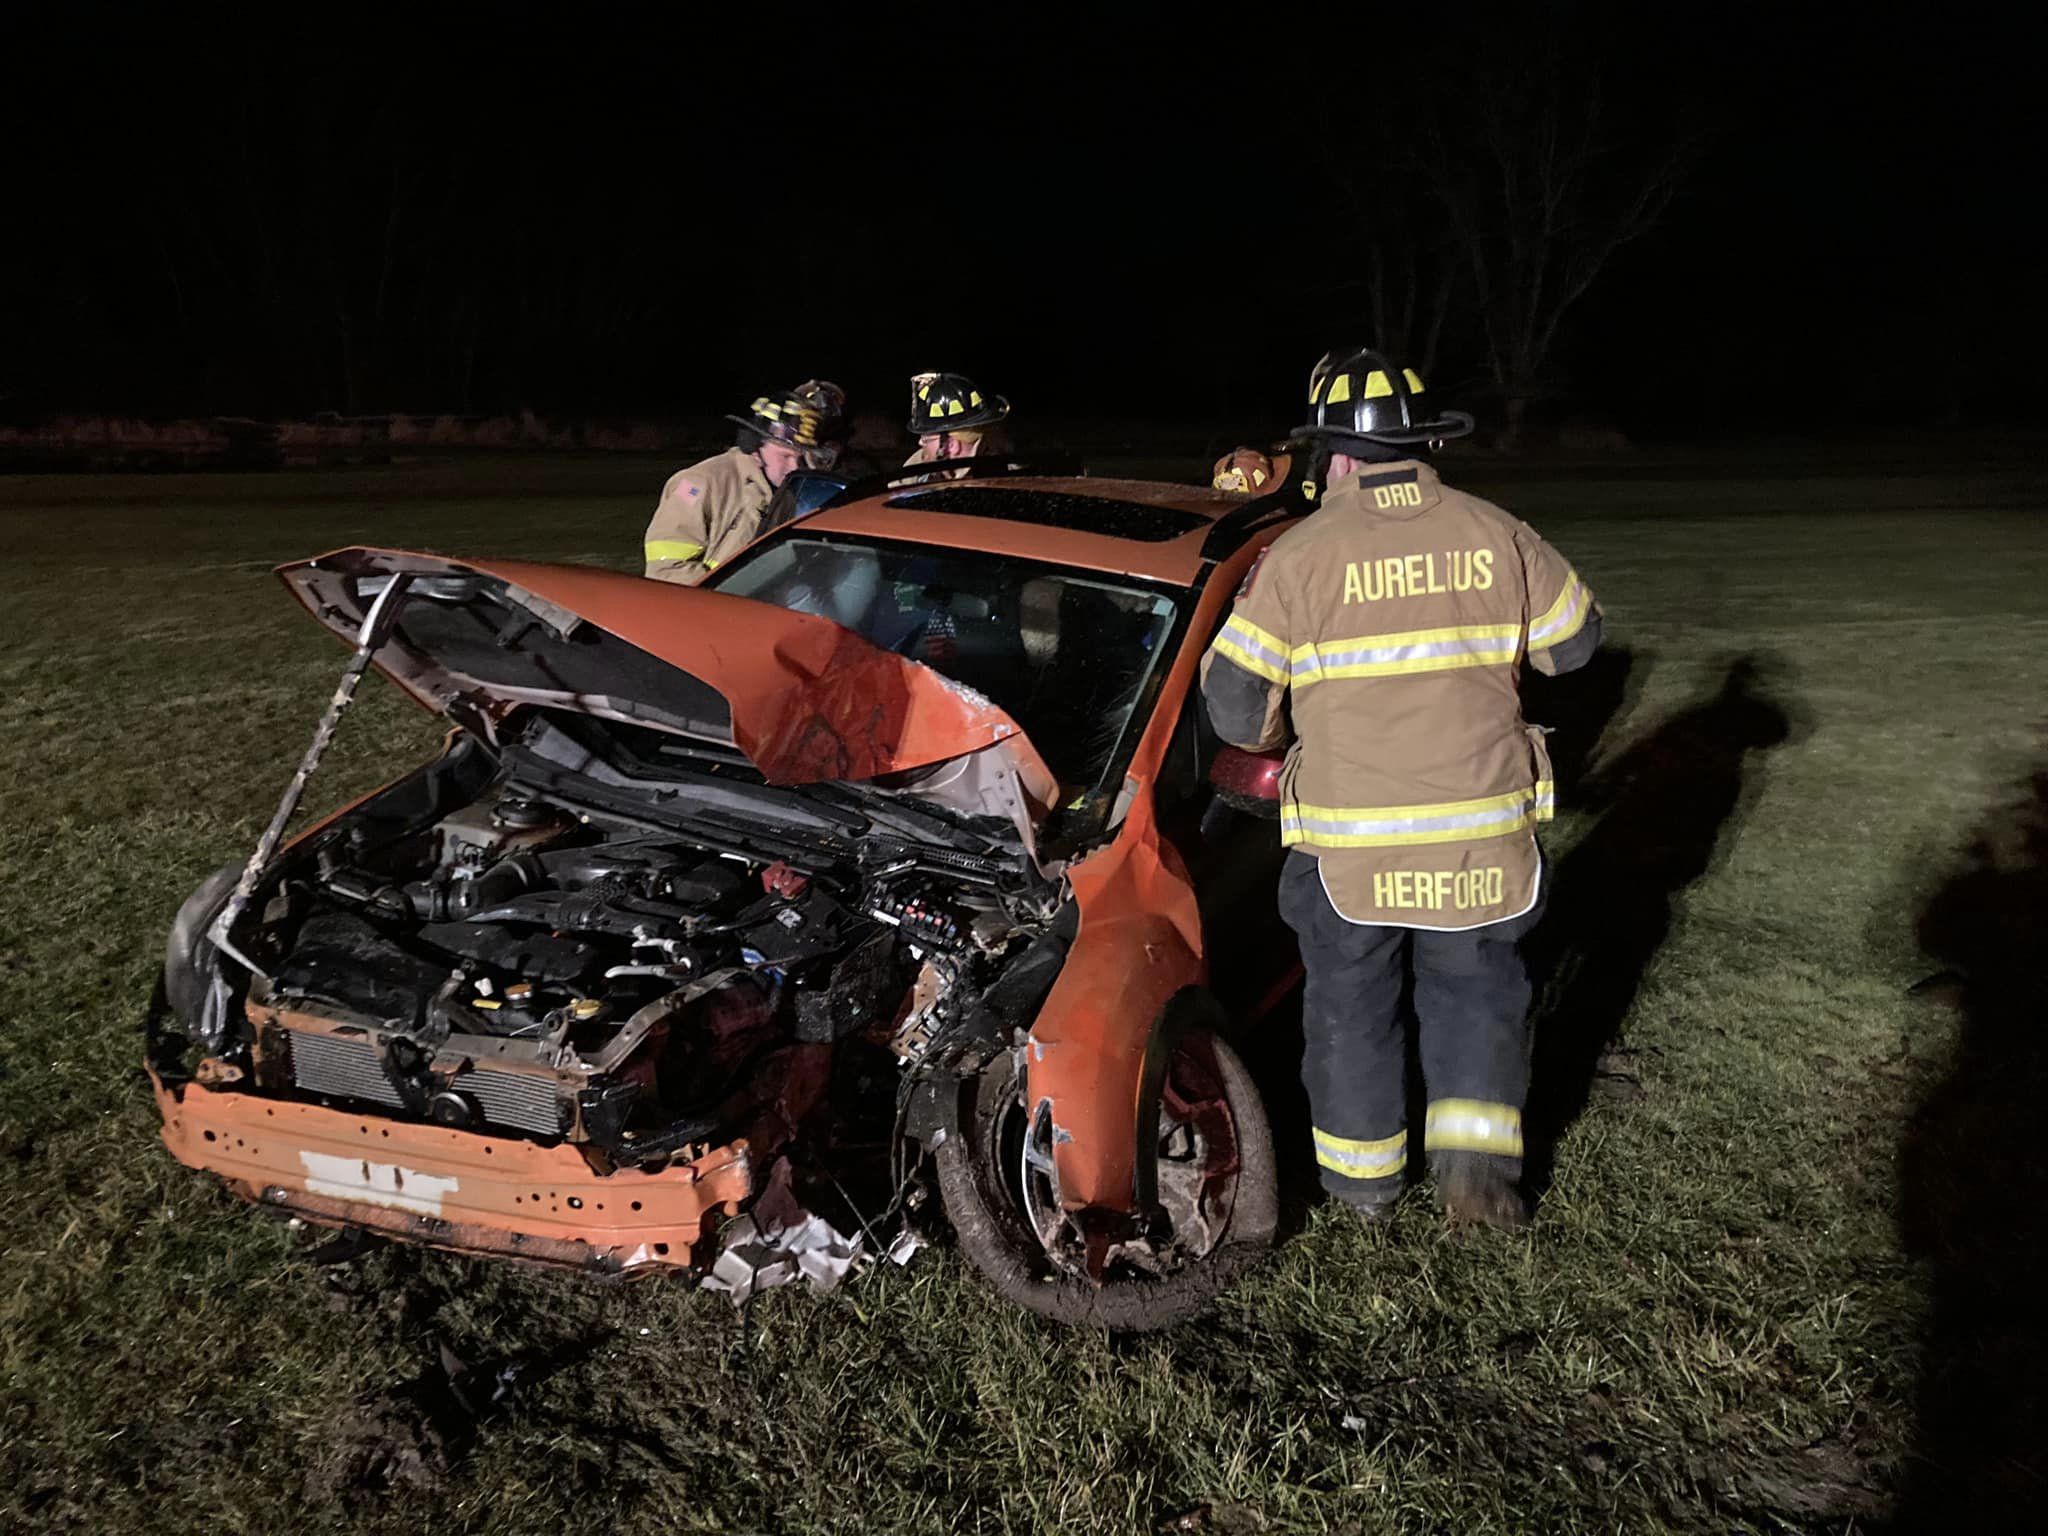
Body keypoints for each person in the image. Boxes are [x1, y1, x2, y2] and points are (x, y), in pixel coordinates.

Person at [1199, 345, 1602, 1231]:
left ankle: (1364, 1192)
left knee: (1348, 1008)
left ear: (1334, 456)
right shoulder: (1497, 532)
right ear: (1423, 444)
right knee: (1480, 998)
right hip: (1481, 835)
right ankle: (1478, 1186)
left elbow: (1234, 709)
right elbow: (1574, 646)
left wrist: (1283, 728)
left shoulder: (1299, 558)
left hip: (1351, 849)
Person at [643, 388, 827, 583]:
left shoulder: (788, 491)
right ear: (754, 447)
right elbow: (666, 571)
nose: (793, 467)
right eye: (785, 456)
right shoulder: (697, 483)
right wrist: (732, 594)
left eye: (800, 458)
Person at [904, 371, 1010, 474]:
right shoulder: (915, 471)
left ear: (952, 445)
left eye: (926, 439)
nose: (920, 443)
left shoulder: (1004, 475)